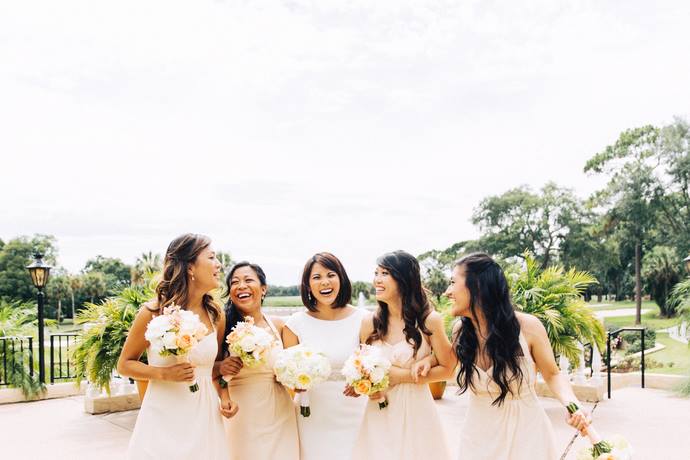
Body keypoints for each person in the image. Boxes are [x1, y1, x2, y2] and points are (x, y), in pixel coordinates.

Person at [445, 252, 589, 460]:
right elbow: (444, 365)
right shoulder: (460, 331)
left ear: (477, 286)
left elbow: (553, 374)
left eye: (452, 282)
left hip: (527, 436)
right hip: (477, 437)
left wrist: (572, 404)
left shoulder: (528, 327)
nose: (448, 292)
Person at [117, 233, 237, 460]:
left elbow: (214, 368)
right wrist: (162, 373)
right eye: (212, 257)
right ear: (190, 267)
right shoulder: (153, 313)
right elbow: (124, 365)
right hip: (163, 417)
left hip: (205, 417)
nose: (219, 264)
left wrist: (225, 394)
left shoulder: (216, 315)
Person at [351, 250, 454, 460]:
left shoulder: (429, 320)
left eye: (384, 273)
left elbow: (449, 369)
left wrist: (402, 375)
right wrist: (365, 386)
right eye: (376, 273)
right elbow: (362, 367)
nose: (376, 280)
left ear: (404, 278)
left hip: (417, 409)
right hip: (379, 408)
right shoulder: (369, 323)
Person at [282, 252, 367, 460]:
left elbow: (371, 366)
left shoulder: (364, 319)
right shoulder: (295, 323)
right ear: (307, 285)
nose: (325, 282)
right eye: (316, 277)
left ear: (341, 278)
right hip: (313, 414)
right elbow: (286, 374)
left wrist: (363, 382)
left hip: (354, 410)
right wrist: (295, 384)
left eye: (331, 275)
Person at [214, 261, 299, 460]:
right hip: (242, 412)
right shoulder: (223, 325)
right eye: (235, 282)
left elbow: (293, 366)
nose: (241, 286)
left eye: (248, 280)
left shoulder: (279, 325)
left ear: (263, 289)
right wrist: (224, 396)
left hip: (280, 411)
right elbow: (210, 368)